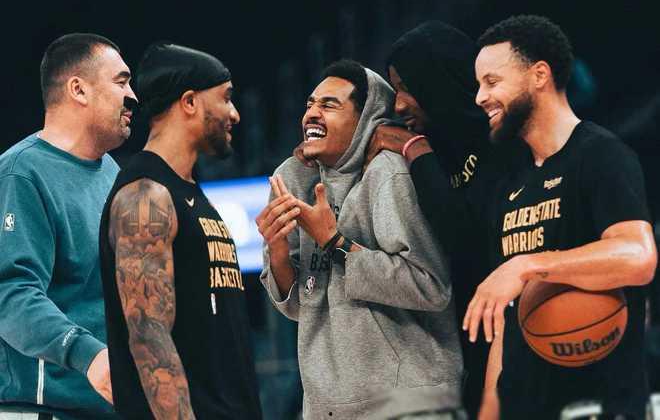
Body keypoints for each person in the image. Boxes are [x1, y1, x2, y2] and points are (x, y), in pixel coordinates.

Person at [463, 15, 657, 419]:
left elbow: (638, 257)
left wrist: (528, 264)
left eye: (492, 82)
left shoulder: (602, 155)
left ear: (539, 75)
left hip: (598, 406)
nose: (480, 97)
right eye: (479, 84)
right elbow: (508, 319)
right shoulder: (509, 185)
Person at [257, 59, 463, 419]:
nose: (312, 114)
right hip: (327, 407)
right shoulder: (293, 178)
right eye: (310, 104)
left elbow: (430, 286)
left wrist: (334, 241)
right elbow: (300, 307)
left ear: (365, 119)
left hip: (408, 403)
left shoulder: (389, 175)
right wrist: (277, 251)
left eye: (329, 105)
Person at [99, 43, 262, 420]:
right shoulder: (145, 195)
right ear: (189, 102)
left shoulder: (189, 193)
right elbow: (148, 337)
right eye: (226, 98)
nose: (234, 114)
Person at [364, 21, 502, 418]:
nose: (399, 105)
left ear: (438, 81)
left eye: (408, 87)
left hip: (519, 343)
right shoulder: (432, 149)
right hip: (463, 354)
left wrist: (414, 149)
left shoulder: (503, 141)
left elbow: (465, 239)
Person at [0, 33, 136, 419]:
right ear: (78, 89)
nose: (133, 96)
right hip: (40, 410)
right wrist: (88, 355)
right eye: (122, 82)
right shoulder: (20, 173)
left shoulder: (115, 175)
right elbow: (10, 293)